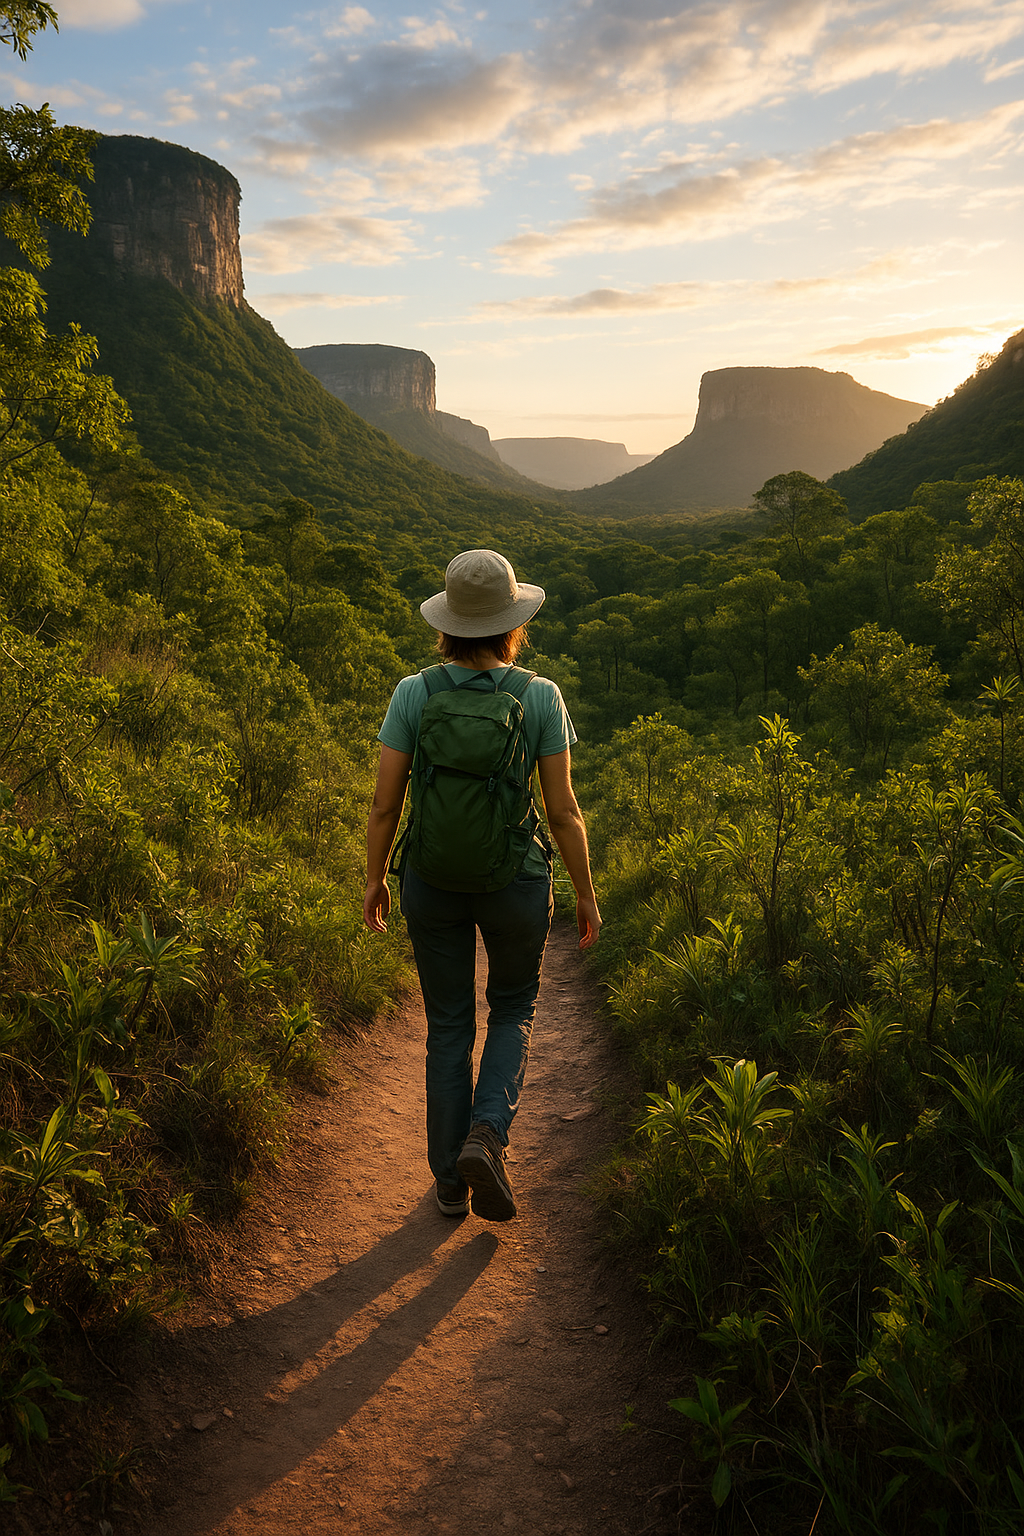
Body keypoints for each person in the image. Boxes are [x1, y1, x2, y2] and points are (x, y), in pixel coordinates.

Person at [363, 548, 601, 1223]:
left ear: (447, 624)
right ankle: (487, 1135)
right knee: (514, 1008)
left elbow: (385, 805)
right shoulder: (540, 695)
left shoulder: (414, 693)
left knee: (447, 1025)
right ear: (511, 623)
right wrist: (585, 892)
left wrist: (376, 877)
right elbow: (562, 810)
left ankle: (448, 1183)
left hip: (431, 880)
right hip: (516, 882)